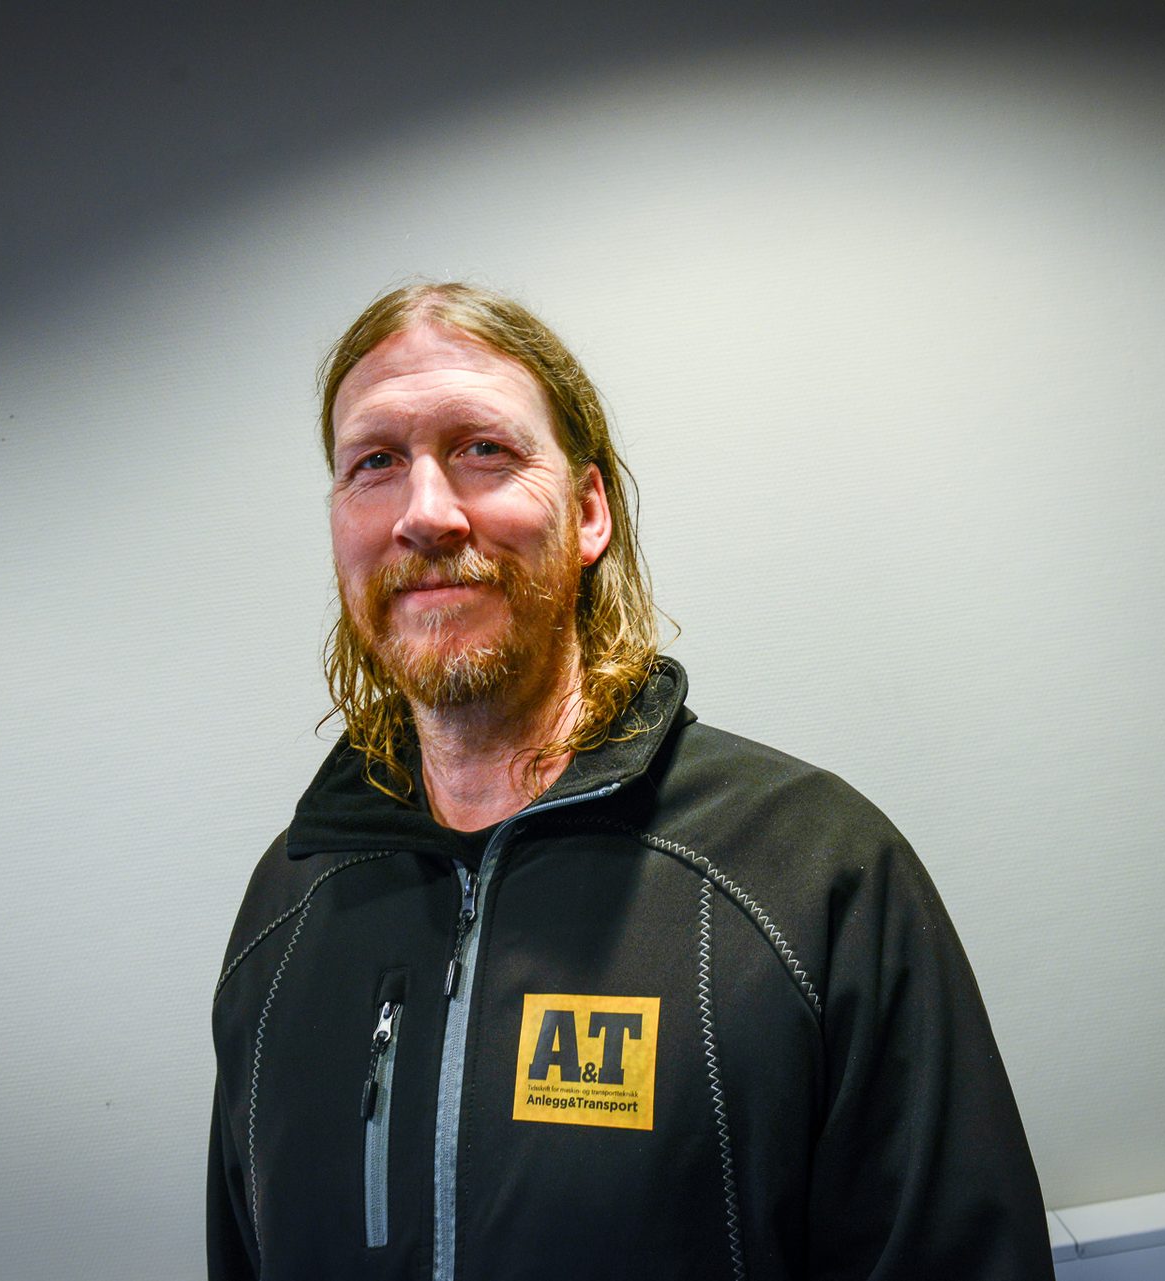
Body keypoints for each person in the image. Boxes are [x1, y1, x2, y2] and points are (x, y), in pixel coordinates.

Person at [207, 282, 1053, 1280]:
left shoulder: (813, 873)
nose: (427, 513)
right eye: (375, 464)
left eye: (482, 449)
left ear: (590, 512)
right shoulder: (289, 904)